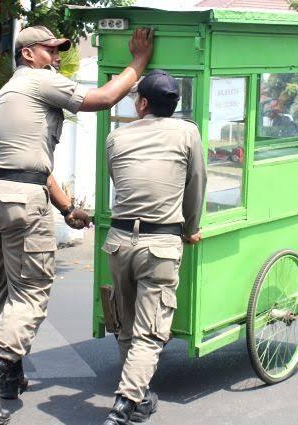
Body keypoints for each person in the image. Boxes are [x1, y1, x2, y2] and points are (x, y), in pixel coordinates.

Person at [0, 25, 154, 425]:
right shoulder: (39, 80)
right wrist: (138, 61)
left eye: (57, 51)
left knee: (9, 286)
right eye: (49, 50)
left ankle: (11, 375)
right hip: (17, 200)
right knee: (32, 292)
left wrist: (68, 210)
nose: (56, 57)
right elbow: (103, 98)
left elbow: (36, 165)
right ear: (28, 53)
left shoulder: (11, 90)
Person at [100, 70, 207, 425]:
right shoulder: (188, 132)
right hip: (160, 244)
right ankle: (125, 403)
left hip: (118, 241)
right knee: (149, 333)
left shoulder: (116, 138)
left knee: (128, 325)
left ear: (143, 103)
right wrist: (190, 229)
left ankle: (139, 394)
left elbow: (121, 183)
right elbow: (195, 185)